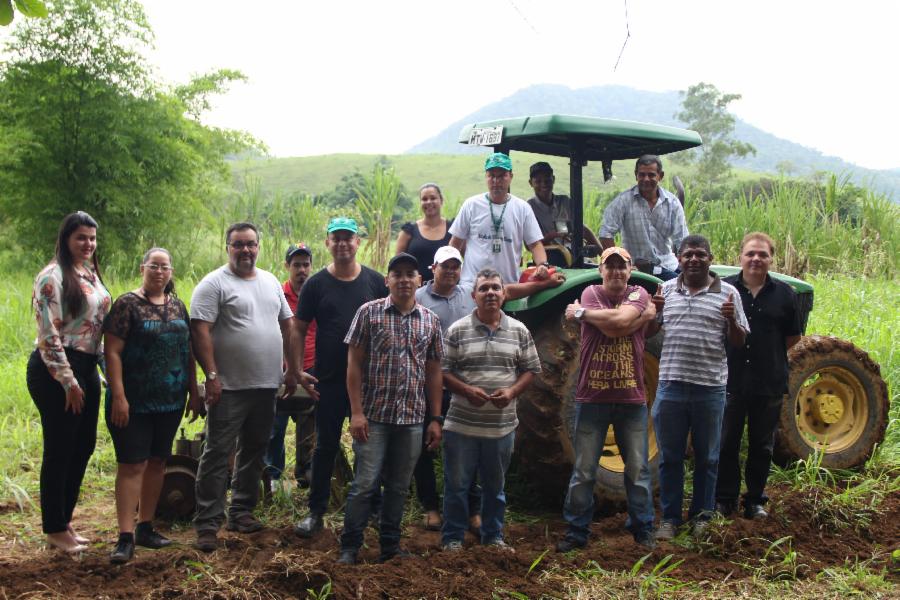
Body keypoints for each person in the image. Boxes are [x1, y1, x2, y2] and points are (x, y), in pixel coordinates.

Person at [190, 222, 298, 552]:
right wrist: (211, 376)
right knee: (218, 452)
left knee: (254, 450)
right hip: (229, 387)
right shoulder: (214, 284)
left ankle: (241, 511)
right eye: (238, 244)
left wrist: (292, 370)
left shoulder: (268, 282)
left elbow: (288, 323)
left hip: (266, 385)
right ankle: (208, 522)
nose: (245, 250)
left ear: (258, 247)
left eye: (251, 244)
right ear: (228, 248)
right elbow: (199, 331)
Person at [336, 252, 444, 565]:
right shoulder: (368, 313)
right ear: (388, 280)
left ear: (419, 281)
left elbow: (434, 371)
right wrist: (356, 412)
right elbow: (353, 364)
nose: (404, 279)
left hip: (411, 418)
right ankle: (350, 546)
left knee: (398, 486)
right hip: (374, 417)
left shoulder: (430, 320)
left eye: (411, 274)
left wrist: (435, 418)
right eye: (397, 274)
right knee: (365, 484)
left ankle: (390, 547)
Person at [556, 247, 658, 552]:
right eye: (609, 266)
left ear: (630, 270)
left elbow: (618, 324)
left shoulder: (638, 292)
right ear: (601, 270)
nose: (615, 272)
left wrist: (583, 314)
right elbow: (619, 324)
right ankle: (576, 533)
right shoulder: (590, 292)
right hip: (592, 398)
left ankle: (643, 530)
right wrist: (643, 317)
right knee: (584, 470)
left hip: (632, 400)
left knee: (638, 470)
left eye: (621, 267)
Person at [294, 217, 389, 538]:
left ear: (357, 242)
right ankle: (316, 512)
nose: (343, 243)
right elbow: (299, 327)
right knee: (325, 446)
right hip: (330, 380)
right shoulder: (316, 284)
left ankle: (374, 508)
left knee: (369, 447)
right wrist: (296, 371)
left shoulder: (376, 282)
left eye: (349, 238)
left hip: (370, 383)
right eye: (337, 238)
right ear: (328, 244)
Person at [104, 247, 200, 564]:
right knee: (132, 465)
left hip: (170, 402)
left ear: (171, 272)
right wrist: (118, 396)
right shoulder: (126, 305)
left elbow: (188, 351)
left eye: (164, 267)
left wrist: (193, 390)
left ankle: (146, 526)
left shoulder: (177, 305)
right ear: (142, 267)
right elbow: (112, 353)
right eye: (153, 266)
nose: (159, 271)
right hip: (132, 402)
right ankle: (125, 536)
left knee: (158, 462)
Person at [649, 235, 749, 540]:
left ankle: (702, 516)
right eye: (688, 254)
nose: (694, 259)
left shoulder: (729, 294)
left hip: (709, 388)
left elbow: (739, 341)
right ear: (678, 259)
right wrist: (654, 312)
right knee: (670, 457)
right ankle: (669, 518)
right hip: (671, 387)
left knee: (708, 457)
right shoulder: (665, 290)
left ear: (710, 258)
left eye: (700, 254)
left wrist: (732, 321)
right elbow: (650, 332)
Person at [27, 211, 111, 553]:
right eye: (81, 238)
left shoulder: (88, 272)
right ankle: (54, 528)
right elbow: (49, 335)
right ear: (66, 239)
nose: (88, 244)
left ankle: (64, 519)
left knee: (84, 446)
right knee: (60, 448)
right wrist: (68, 381)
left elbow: (93, 329)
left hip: (87, 366)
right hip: (56, 371)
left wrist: (105, 367)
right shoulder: (52, 276)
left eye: (92, 238)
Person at [440, 268, 541, 551]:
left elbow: (532, 369)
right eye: (483, 289)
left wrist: (511, 392)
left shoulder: (519, 331)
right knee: (457, 486)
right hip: (461, 426)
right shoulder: (457, 330)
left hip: (501, 426)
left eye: (496, 288)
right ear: (474, 296)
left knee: (495, 489)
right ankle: (452, 539)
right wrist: (465, 390)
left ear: (505, 294)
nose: (490, 293)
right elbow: (442, 372)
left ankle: (493, 536)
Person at [716, 233, 802, 520]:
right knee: (726, 441)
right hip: (730, 378)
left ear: (770, 259)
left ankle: (754, 500)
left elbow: (792, 337)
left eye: (762, 255)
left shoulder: (785, 294)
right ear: (740, 256)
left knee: (762, 444)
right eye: (750, 253)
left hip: (768, 380)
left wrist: (769, 355)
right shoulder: (723, 289)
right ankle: (725, 499)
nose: (756, 259)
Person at [412, 246, 481, 533]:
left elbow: (506, 292)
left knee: (466, 446)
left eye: (455, 266)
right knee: (424, 445)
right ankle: (430, 507)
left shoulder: (468, 294)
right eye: (445, 266)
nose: (450, 271)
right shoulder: (418, 298)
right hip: (425, 381)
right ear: (433, 268)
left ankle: (472, 509)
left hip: (462, 382)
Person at [449, 152, 558, 292]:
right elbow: (455, 244)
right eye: (492, 176)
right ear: (486, 177)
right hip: (472, 286)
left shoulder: (522, 208)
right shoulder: (471, 205)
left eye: (501, 176)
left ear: (510, 177)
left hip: (507, 287)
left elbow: (535, 244)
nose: (496, 180)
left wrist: (543, 264)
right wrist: (449, 273)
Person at [264, 243, 317, 490]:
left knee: (309, 426)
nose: (302, 270)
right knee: (275, 425)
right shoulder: (277, 293)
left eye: (306, 264)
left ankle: (305, 474)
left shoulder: (317, 292)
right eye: (296, 265)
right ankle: (273, 475)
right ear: (287, 266)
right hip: (280, 369)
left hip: (312, 367)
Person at [599, 155, 688, 281]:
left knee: (697, 285)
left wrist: (686, 265)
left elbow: (682, 241)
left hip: (668, 265)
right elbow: (606, 233)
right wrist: (620, 264)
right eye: (642, 175)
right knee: (681, 289)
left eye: (651, 175)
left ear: (660, 176)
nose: (646, 179)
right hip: (637, 270)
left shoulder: (672, 203)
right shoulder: (623, 201)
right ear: (636, 175)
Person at [526, 161, 602, 266]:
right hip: (549, 260)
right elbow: (529, 245)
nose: (543, 184)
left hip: (574, 255)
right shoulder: (528, 207)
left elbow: (582, 229)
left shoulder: (565, 201)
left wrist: (603, 253)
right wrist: (553, 235)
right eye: (538, 181)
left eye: (547, 180)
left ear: (553, 179)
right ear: (531, 183)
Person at [396, 183, 454, 282]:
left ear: (441, 200)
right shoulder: (409, 231)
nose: (428, 202)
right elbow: (397, 264)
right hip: (415, 292)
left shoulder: (453, 229)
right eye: (424, 199)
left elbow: (468, 257)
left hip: (449, 291)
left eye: (433, 198)